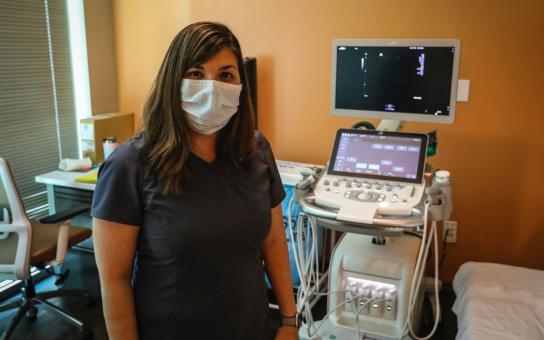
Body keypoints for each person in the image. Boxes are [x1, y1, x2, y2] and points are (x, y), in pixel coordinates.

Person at [91, 22, 298, 340]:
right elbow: (114, 279)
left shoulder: (256, 150)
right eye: (196, 73)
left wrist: (288, 320)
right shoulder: (128, 165)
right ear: (173, 81)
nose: (212, 87)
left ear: (241, 84)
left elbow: (273, 241)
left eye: (226, 75)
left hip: (252, 328)